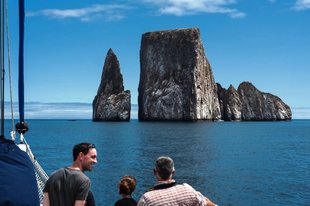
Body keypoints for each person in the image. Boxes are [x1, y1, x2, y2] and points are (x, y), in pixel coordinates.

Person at [137, 156, 217, 206]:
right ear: (174, 172)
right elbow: (205, 202)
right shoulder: (188, 190)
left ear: (154, 172)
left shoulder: (147, 199)